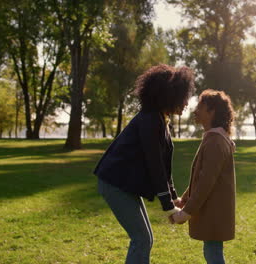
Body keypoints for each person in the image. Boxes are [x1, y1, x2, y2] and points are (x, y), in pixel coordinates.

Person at [93, 64, 195, 264]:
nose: (186, 103)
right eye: (183, 97)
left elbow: (164, 168)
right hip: (115, 184)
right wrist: (168, 206)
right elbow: (154, 164)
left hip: (124, 185)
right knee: (141, 239)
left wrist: (172, 198)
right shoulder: (150, 120)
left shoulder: (159, 119)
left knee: (145, 239)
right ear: (169, 95)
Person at [172, 89, 236, 264]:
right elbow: (200, 178)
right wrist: (184, 200)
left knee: (213, 253)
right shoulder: (213, 138)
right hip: (213, 210)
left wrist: (186, 212)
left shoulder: (216, 141)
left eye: (200, 106)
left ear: (212, 111)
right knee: (212, 252)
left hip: (214, 211)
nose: (195, 110)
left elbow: (206, 183)